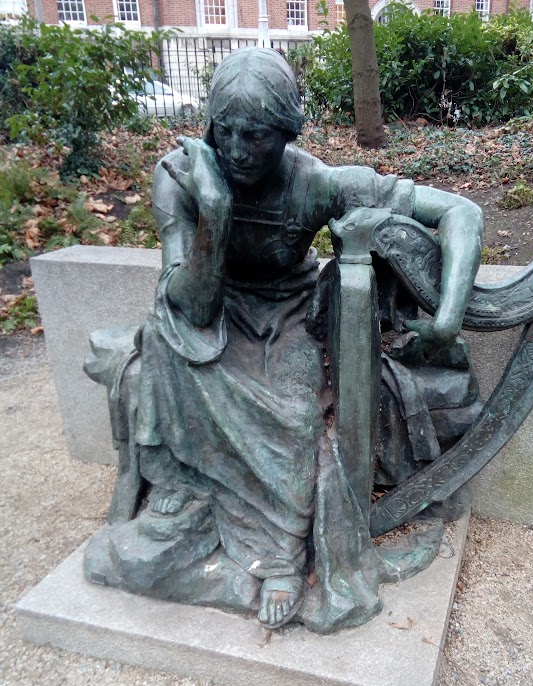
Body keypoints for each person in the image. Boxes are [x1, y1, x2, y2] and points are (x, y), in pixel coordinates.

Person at [85, 47, 484, 634]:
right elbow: (190, 301)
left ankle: (279, 552)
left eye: (259, 135)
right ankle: (198, 497)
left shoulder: (314, 183)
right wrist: (216, 209)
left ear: (287, 131)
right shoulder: (180, 177)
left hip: (288, 316)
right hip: (209, 314)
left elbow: (460, 212)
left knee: (296, 416)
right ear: (210, 125)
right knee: (167, 332)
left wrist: (448, 317)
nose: (240, 150)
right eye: (228, 131)